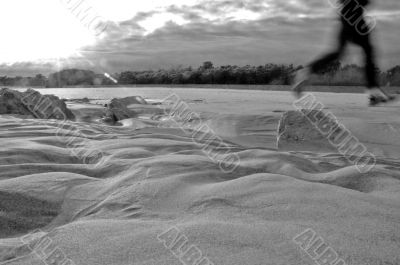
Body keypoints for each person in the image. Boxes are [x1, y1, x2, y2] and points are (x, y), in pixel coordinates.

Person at [292, 0, 396, 106]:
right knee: (367, 50)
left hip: (349, 15)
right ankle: (373, 91)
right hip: (354, 16)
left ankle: (306, 71)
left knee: (340, 52)